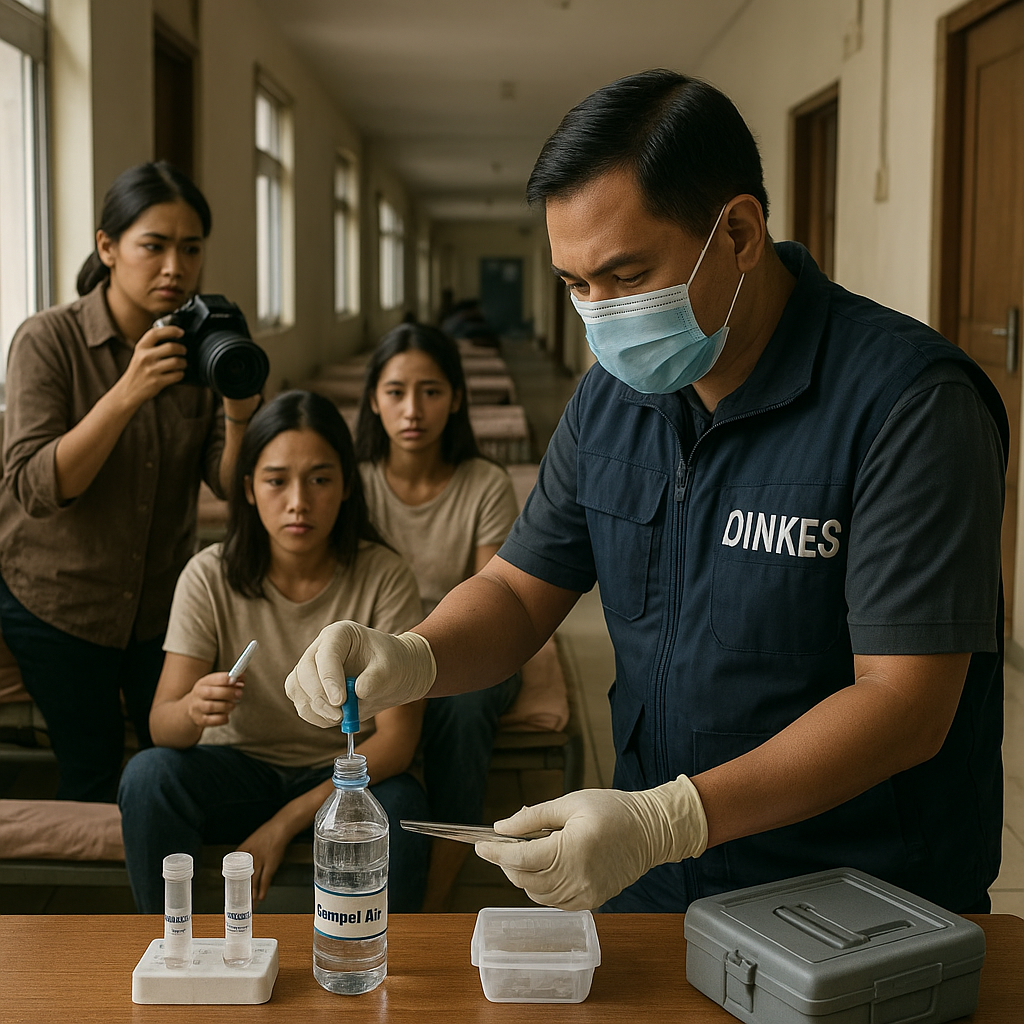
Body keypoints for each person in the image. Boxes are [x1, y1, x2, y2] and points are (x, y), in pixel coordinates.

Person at [284, 71, 1007, 916]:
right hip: (653, 877)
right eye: (575, 285)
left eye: (627, 276)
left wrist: (673, 817)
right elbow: (521, 592)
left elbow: (904, 701)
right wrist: (411, 655)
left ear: (737, 231)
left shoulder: (905, 404)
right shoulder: (611, 402)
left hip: (853, 892)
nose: (601, 314)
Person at [0, 162, 262, 803]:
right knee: (89, 770)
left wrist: (237, 408)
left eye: (191, 248)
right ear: (108, 248)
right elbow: (37, 488)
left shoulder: (203, 340)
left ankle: (168, 889)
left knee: (167, 763)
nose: (175, 266)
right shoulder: (48, 339)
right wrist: (127, 393)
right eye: (154, 245)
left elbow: (230, 489)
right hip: (58, 603)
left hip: (157, 603)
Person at [118, 391, 430, 913]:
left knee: (402, 807)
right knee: (149, 776)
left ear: (348, 486)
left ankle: (385, 968)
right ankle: (169, 950)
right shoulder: (209, 575)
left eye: (320, 479)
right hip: (236, 769)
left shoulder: (384, 576)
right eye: (276, 480)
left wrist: (283, 825)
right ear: (247, 488)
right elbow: (161, 727)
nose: (298, 503)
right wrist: (193, 710)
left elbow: (397, 743)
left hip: (342, 774)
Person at [354, 322, 521, 908]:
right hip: (374, 643)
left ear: (455, 399)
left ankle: (434, 904)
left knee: (464, 703)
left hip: (460, 650)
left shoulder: (484, 484)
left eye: (430, 390)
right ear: (373, 399)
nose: (412, 409)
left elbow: (492, 599)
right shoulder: (354, 484)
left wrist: (422, 655)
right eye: (396, 391)